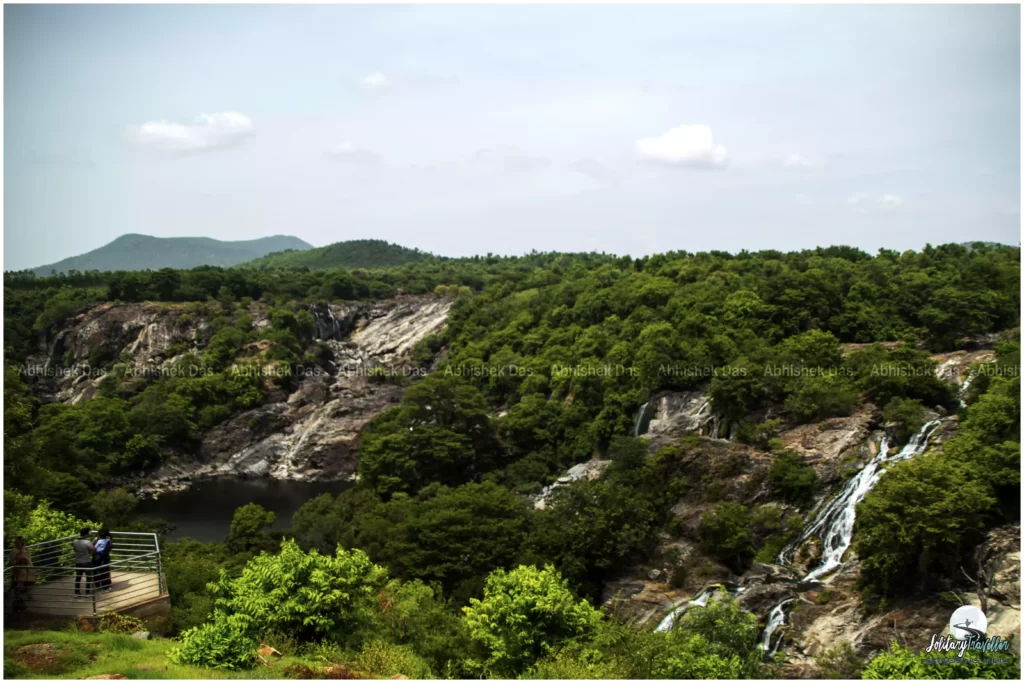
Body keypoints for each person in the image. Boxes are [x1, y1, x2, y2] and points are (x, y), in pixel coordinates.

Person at [10, 537, 36, 612]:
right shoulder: (14, 551)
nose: (22, 543)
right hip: (20, 570)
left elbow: (29, 558)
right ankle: (17, 599)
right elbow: (12, 562)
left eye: (22, 541)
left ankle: (29, 596)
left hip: (29, 569)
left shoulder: (25, 549)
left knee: (30, 583)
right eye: (20, 541)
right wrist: (19, 561)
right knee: (20, 584)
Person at [72, 528, 95, 598]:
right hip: (86, 562)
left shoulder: (75, 541)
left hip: (78, 562)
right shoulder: (87, 542)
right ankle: (87, 593)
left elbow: (74, 549)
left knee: (78, 577)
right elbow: (93, 550)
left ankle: (76, 592)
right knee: (88, 578)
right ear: (86, 534)